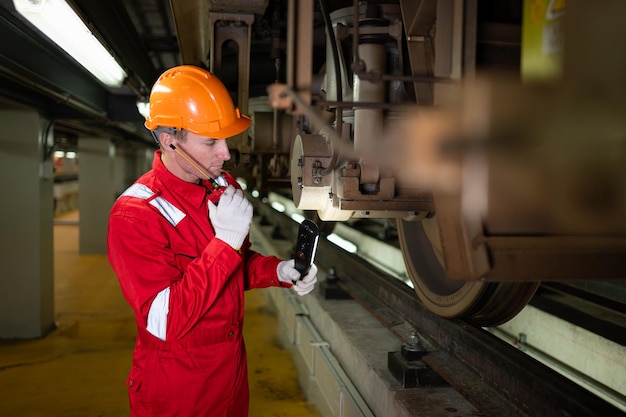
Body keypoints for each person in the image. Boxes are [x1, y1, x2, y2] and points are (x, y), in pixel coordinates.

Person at [107, 65, 318, 417]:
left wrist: (277, 270)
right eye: (210, 142)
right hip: (177, 392)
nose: (226, 154)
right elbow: (164, 321)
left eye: (225, 140)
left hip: (230, 381)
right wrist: (226, 241)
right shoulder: (136, 214)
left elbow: (234, 268)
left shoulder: (222, 189)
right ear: (169, 141)